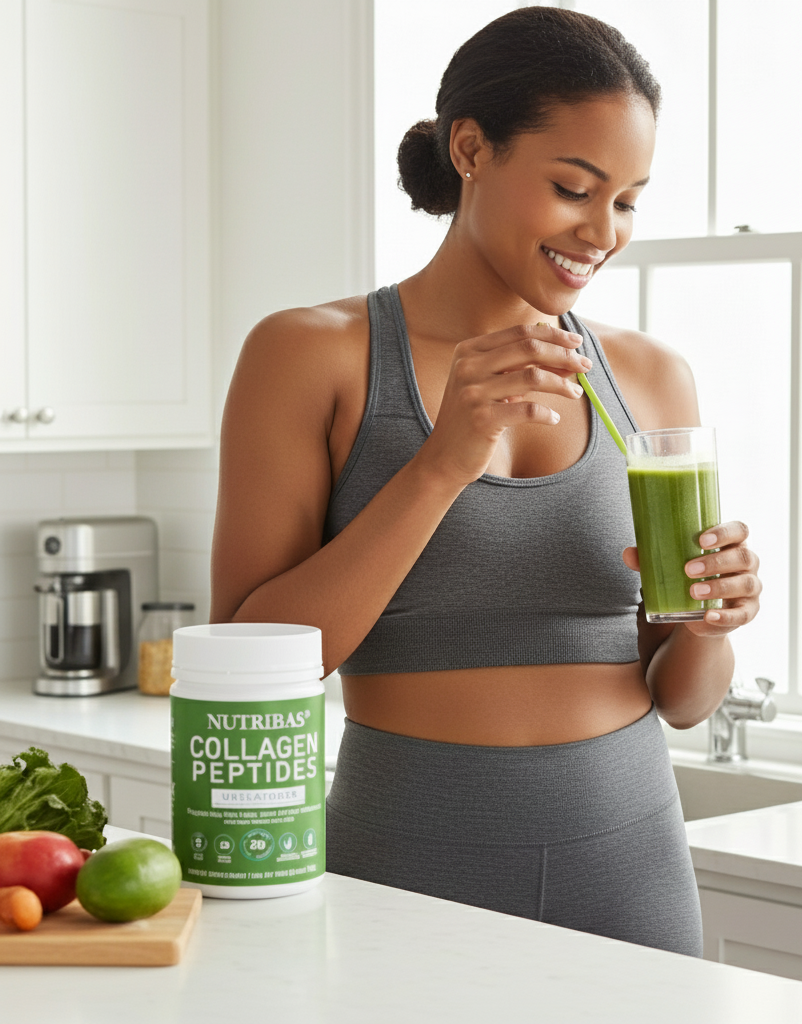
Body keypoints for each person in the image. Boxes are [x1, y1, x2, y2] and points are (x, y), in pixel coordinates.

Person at [211, 6, 762, 956]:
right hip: (404, 866)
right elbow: (245, 668)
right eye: (573, 188)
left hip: (630, 869)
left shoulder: (650, 378)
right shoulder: (313, 355)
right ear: (470, 149)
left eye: (627, 201)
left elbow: (681, 698)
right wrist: (440, 465)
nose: (602, 231)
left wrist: (712, 626)